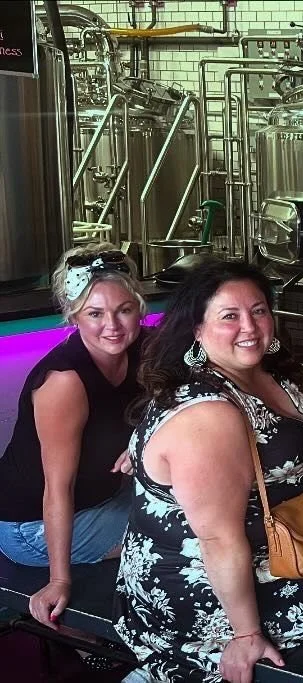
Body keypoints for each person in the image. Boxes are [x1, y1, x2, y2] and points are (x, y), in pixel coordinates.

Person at [115, 259, 303, 683]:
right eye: (229, 316)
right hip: (220, 598)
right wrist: (246, 634)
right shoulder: (208, 413)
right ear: (197, 330)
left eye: (258, 310)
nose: (250, 326)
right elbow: (219, 539)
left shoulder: (277, 376)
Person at [0, 244, 144, 630]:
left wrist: (143, 438)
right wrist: (60, 580)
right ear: (74, 316)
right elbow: (56, 488)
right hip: (31, 527)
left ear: (138, 308)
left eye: (123, 310)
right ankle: (132, 632)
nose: (112, 325)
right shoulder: (65, 381)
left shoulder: (144, 348)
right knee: (183, 527)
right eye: (95, 313)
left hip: (103, 499)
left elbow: (194, 373)